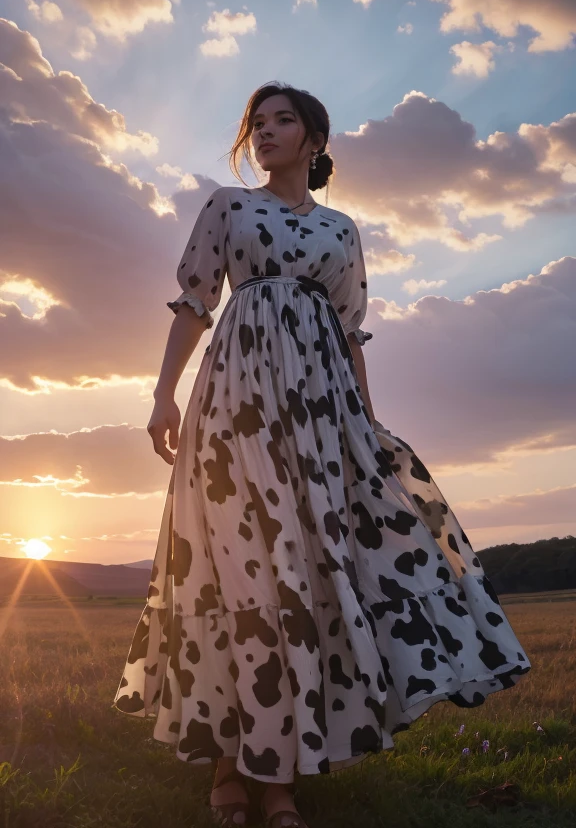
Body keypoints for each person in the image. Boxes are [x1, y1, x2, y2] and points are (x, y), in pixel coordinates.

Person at [113, 81, 530, 828]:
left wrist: (365, 424)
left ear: (314, 139)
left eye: (283, 121)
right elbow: (194, 303)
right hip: (237, 411)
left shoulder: (342, 231)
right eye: (257, 123)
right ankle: (227, 767)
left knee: (304, 574)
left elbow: (350, 334)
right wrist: (161, 395)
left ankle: (279, 780)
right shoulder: (228, 207)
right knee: (239, 573)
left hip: (320, 420)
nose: (265, 132)